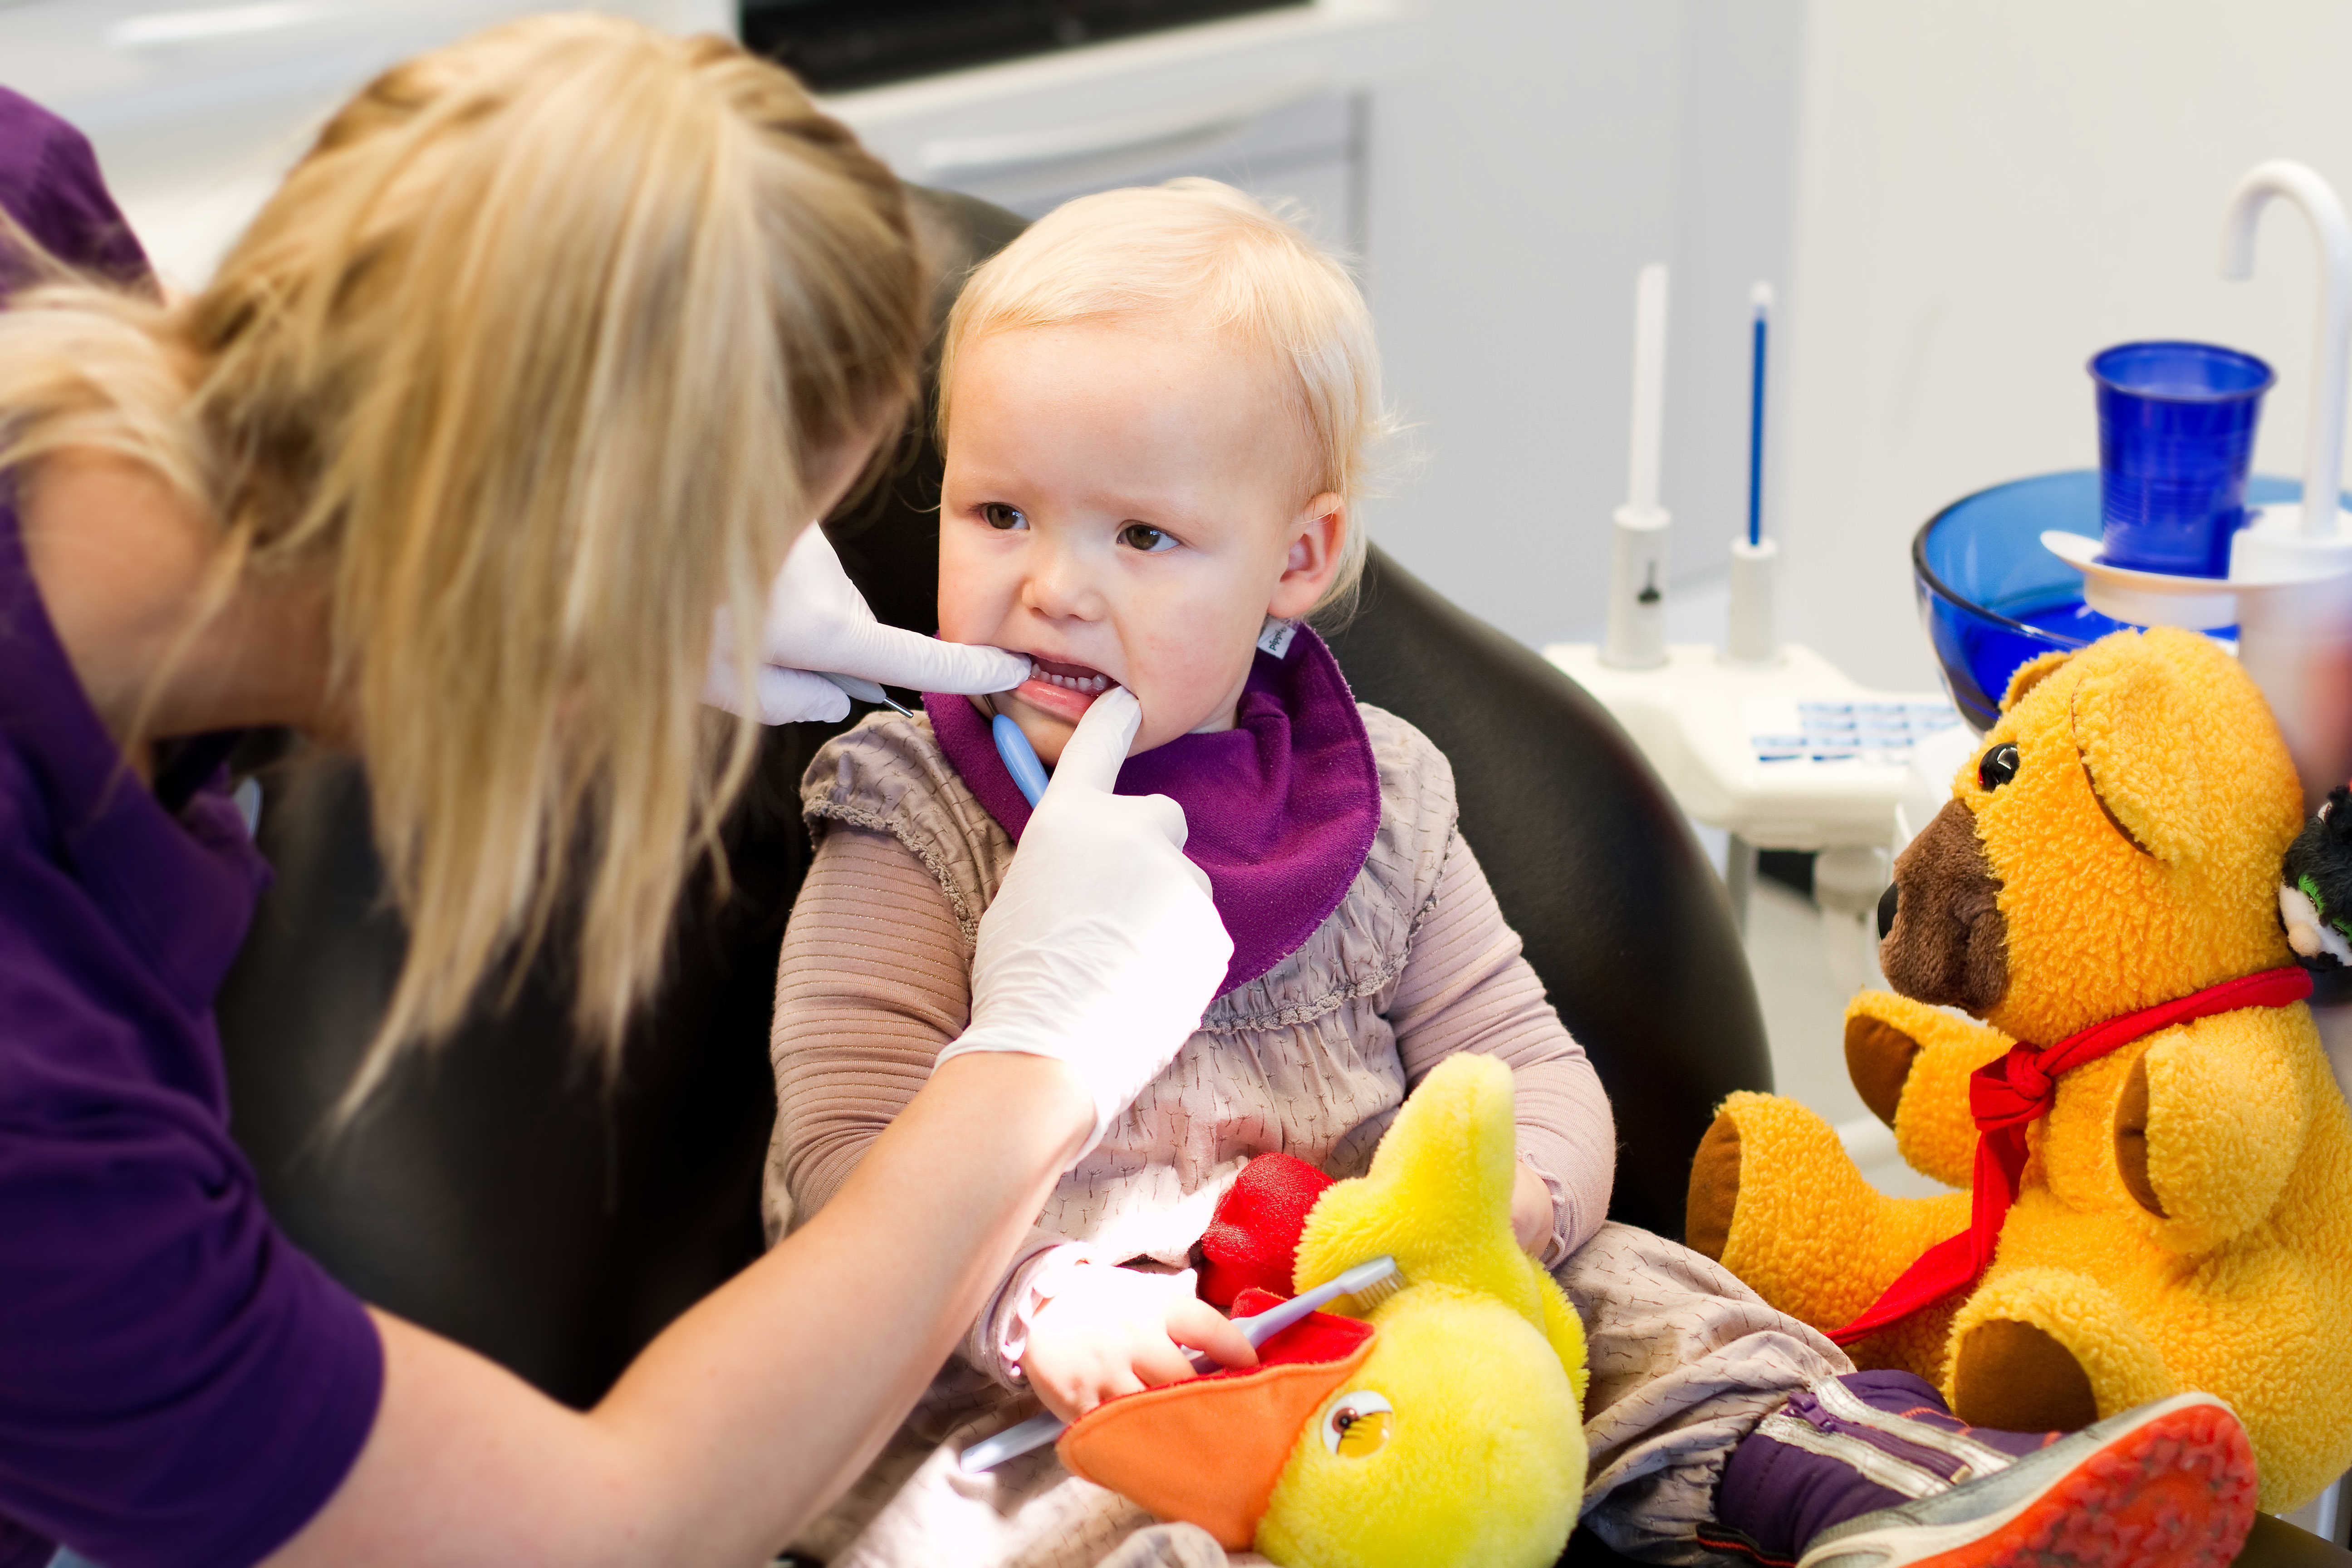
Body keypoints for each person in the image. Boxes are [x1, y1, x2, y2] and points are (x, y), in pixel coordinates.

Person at [763, 181, 2260, 1568]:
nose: (1052, 584)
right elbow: (842, 1172)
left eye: (1143, 534)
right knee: (999, 1507)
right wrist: (1042, 1302)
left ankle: (1891, 1494)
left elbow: (1529, 1063)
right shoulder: (914, 818)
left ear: (1298, 557)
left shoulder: (1386, 801)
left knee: (1646, 1303)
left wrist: (1500, 1217)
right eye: (998, 513)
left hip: (1388, 1294)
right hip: (1074, 1356)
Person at [0, 20, 1240, 1568]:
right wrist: (1037, 1072)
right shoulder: (38, 1123)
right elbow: (607, 1530)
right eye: (739, 542)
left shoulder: (22, 199)